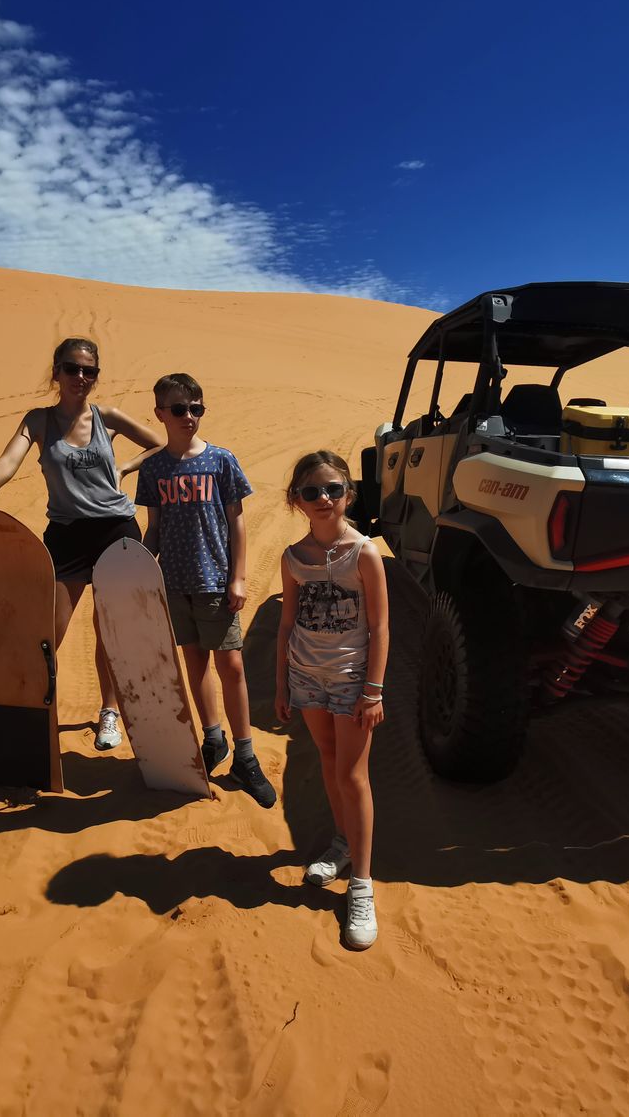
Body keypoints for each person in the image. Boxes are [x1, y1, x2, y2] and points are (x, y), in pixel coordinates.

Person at [0, 336, 161, 750]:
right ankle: (33, 712)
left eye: (90, 371)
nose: (81, 377)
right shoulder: (39, 420)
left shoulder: (108, 417)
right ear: (57, 372)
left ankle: (109, 713)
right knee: (48, 633)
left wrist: (125, 466)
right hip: (66, 537)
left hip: (115, 531)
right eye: (72, 368)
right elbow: (8, 460)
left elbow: (160, 444)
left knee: (109, 630)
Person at [137, 374, 277, 808]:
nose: (189, 417)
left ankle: (246, 755)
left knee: (231, 665)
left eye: (196, 408)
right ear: (160, 413)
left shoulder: (221, 460)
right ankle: (212, 738)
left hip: (215, 578)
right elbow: (155, 528)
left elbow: (236, 521)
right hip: (173, 583)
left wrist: (238, 576)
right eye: (179, 409)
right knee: (194, 662)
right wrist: (137, 567)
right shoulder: (155, 467)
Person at [274, 450, 389, 950]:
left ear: (348, 494)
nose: (323, 499)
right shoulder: (292, 557)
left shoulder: (362, 552)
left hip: (350, 679)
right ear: (296, 500)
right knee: (325, 758)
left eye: (333, 490)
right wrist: (280, 684)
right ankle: (342, 843)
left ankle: (361, 884)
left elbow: (382, 627)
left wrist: (373, 690)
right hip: (306, 676)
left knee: (352, 774)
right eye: (311, 492)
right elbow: (285, 623)